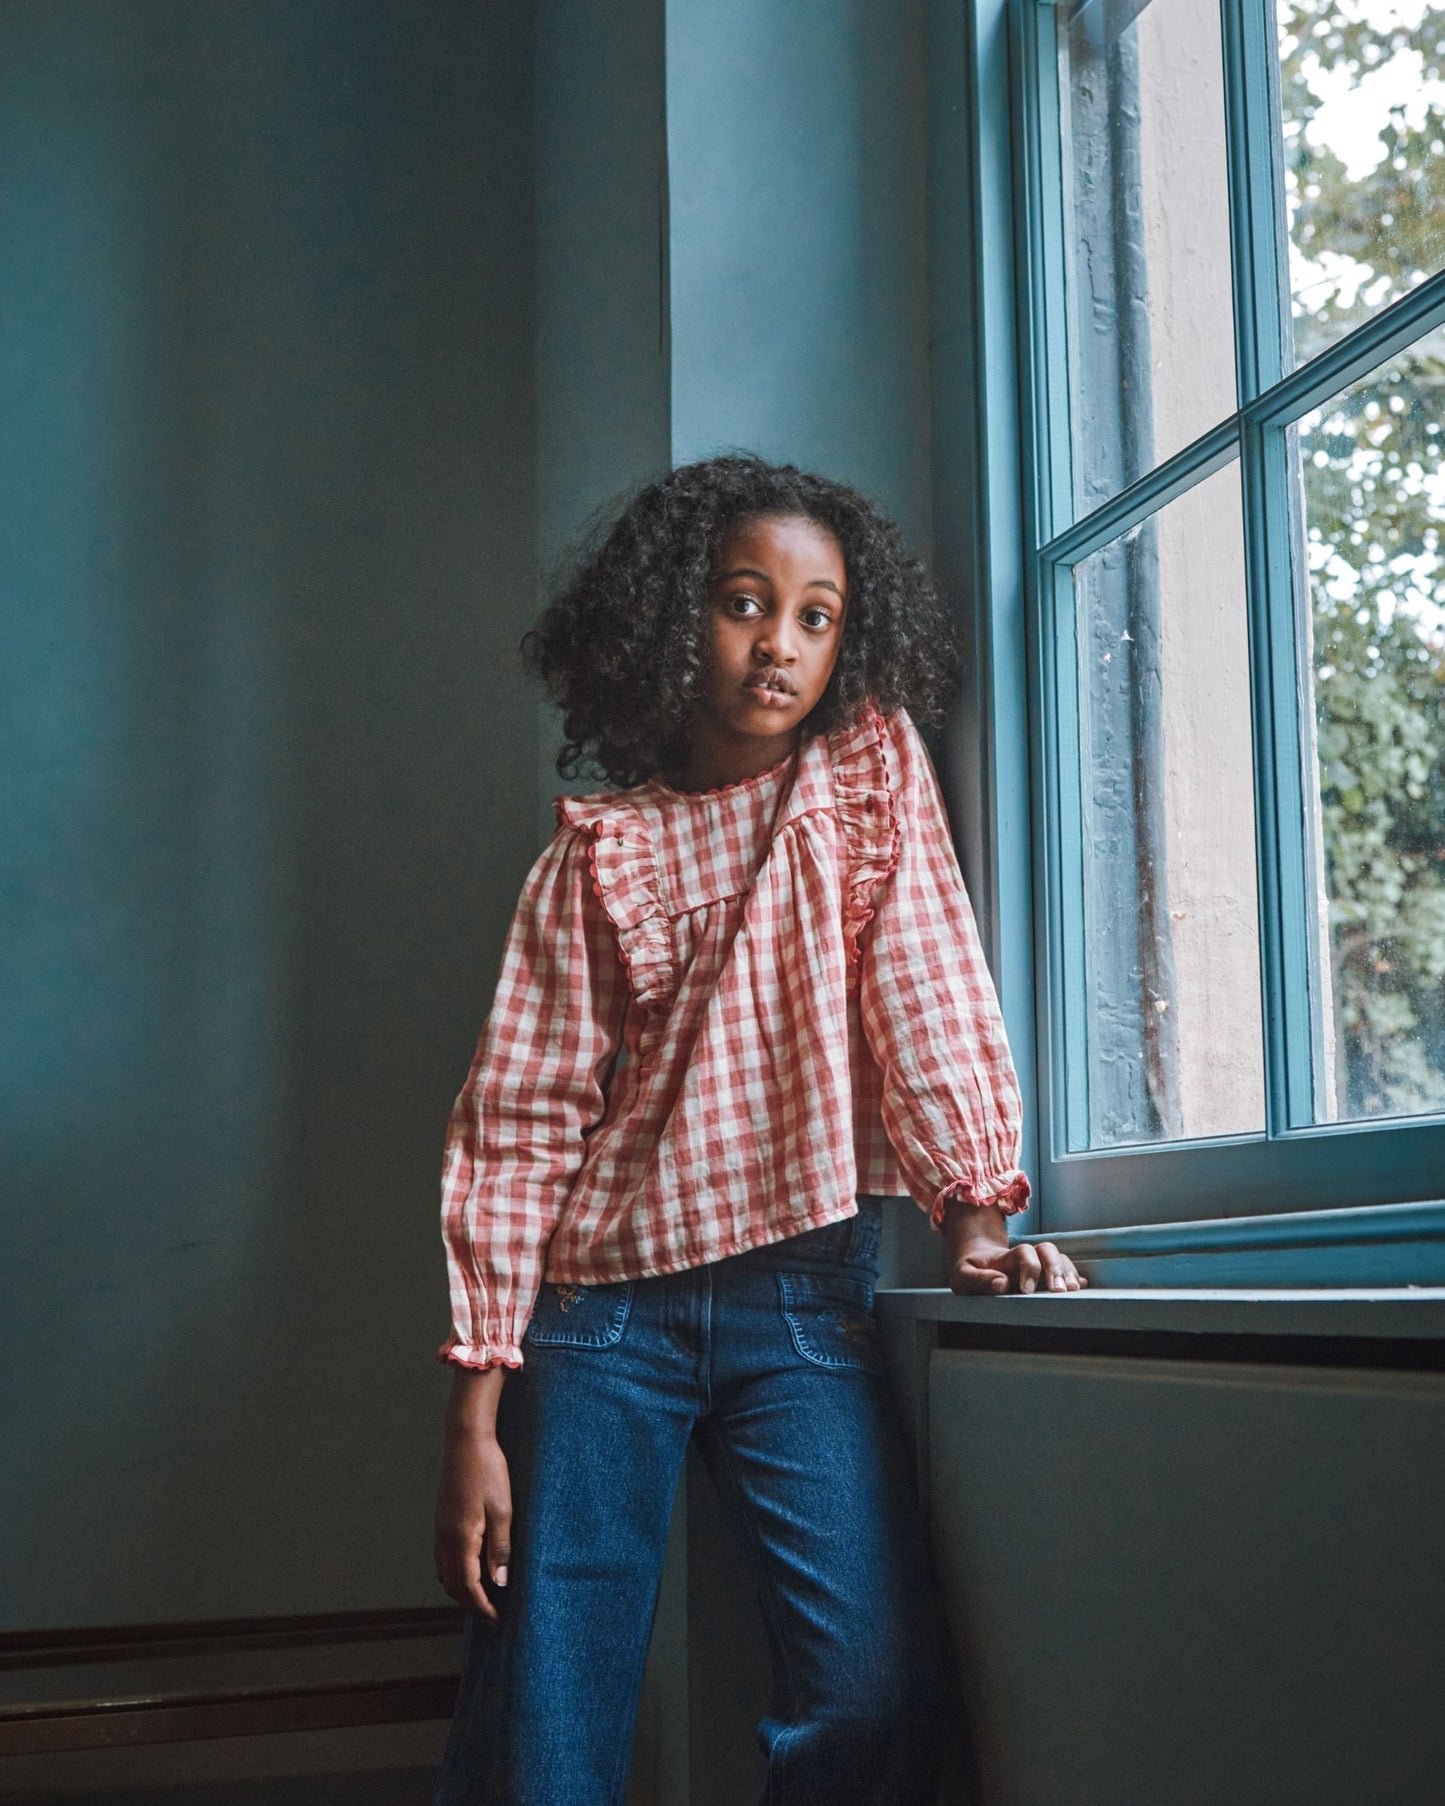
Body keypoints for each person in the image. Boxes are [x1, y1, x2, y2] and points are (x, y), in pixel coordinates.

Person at [430, 454, 1085, 1806]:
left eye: (814, 613)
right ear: (674, 616)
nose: (778, 642)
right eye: (744, 602)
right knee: (549, 1702)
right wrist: (475, 1417)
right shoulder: (593, 856)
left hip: (803, 1298)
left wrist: (974, 1213)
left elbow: (925, 978)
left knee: (867, 1687)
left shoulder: (863, 772)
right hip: (600, 1316)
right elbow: (516, 1126)